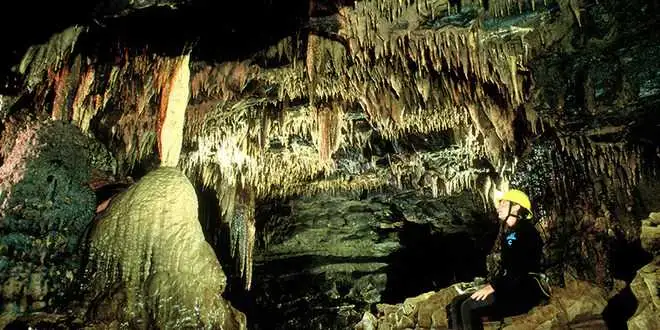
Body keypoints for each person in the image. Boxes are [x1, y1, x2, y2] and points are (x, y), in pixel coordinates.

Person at [446, 189, 544, 330]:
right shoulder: (509, 233)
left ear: (516, 207)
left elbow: (520, 270)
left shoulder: (528, 233)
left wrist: (493, 287)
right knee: (455, 303)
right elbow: (506, 268)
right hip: (509, 286)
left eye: (503, 203)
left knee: (468, 307)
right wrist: (492, 285)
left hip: (523, 291)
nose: (498, 207)